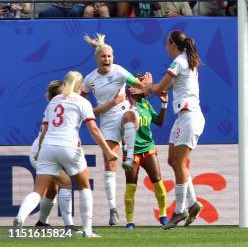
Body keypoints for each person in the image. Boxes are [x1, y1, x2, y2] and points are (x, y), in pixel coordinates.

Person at [13, 71, 118, 238]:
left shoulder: (53, 101)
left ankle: (20, 218)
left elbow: (45, 130)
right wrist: (107, 150)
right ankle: (87, 230)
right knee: (84, 185)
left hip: (48, 147)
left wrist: (40, 150)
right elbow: (94, 130)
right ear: (80, 85)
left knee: (38, 191)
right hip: (69, 146)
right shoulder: (83, 102)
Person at [143, 31, 206, 229]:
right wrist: (148, 89)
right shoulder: (187, 60)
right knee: (173, 161)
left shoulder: (179, 61)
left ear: (172, 43)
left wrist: (144, 86)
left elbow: (157, 88)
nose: (165, 48)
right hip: (183, 117)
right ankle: (193, 202)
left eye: (166, 44)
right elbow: (164, 88)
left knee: (179, 163)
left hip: (190, 116)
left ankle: (180, 211)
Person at [81, 33, 146, 225]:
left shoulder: (120, 71)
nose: (107, 59)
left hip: (124, 113)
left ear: (113, 58)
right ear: (97, 59)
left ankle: (129, 157)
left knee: (130, 116)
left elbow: (140, 86)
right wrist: (110, 104)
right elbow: (84, 105)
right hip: (106, 121)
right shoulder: (90, 79)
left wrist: (142, 89)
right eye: (103, 56)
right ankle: (112, 210)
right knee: (109, 165)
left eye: (109, 56)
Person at [28, 81, 76, 230]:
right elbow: (46, 131)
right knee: (65, 182)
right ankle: (69, 225)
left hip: (45, 149)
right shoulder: (60, 107)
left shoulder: (54, 106)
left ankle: (42, 222)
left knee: (52, 188)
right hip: (44, 151)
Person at [124, 73, 169, 229]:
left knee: (157, 180)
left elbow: (160, 122)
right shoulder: (125, 105)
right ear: (134, 87)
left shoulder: (145, 104)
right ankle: (130, 221)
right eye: (143, 83)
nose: (147, 88)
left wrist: (164, 105)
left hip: (148, 148)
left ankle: (163, 215)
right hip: (132, 152)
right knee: (131, 185)